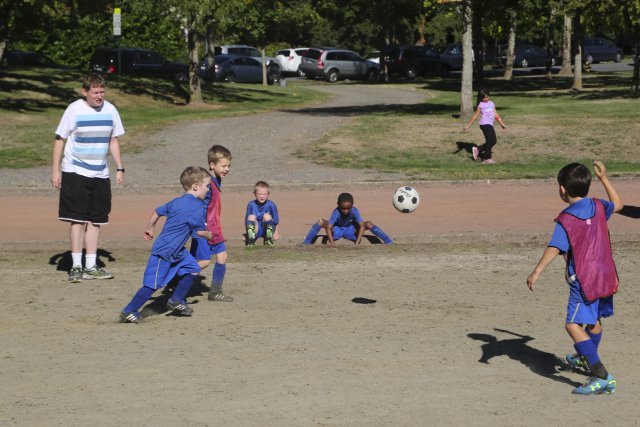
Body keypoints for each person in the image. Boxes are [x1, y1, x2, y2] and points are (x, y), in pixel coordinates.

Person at [526, 161, 623, 395]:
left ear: (562, 189)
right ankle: (583, 359)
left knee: (572, 324)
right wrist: (605, 179)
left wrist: (536, 271)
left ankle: (601, 376)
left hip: (584, 279)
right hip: (607, 274)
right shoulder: (599, 205)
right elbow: (618, 205)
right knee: (593, 320)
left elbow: (555, 247)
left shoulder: (567, 218)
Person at [51, 73, 125, 283]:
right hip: (75, 172)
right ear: (85, 92)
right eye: (95, 92)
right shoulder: (74, 110)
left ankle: (91, 266)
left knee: (96, 220)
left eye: (102, 91)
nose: (99, 96)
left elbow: (113, 140)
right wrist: (55, 170)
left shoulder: (110, 110)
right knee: (78, 220)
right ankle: (76, 266)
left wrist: (120, 168)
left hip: (100, 173)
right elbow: (59, 140)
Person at [119, 166, 213, 323]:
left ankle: (176, 300)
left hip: (177, 251)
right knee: (152, 285)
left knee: (193, 268)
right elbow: (201, 232)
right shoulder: (197, 206)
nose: (208, 189)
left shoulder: (177, 201)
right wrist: (211, 235)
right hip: (164, 252)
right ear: (196, 186)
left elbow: (157, 212)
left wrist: (150, 228)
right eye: (207, 186)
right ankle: (128, 311)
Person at [189, 145, 234, 302]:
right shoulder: (207, 184)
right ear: (212, 165)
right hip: (204, 229)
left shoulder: (217, 180)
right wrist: (198, 227)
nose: (227, 169)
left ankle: (215, 291)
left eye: (229, 165)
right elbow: (196, 203)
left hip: (214, 228)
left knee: (222, 256)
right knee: (203, 261)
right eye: (224, 165)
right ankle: (176, 277)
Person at [302, 192, 392, 246]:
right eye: (343, 208)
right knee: (321, 221)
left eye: (348, 208)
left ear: (352, 204)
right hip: (337, 231)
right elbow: (329, 228)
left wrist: (357, 243)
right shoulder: (336, 212)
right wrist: (332, 243)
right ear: (338, 204)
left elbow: (361, 226)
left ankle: (388, 241)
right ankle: (306, 242)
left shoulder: (355, 210)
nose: (345, 211)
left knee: (368, 223)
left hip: (351, 230)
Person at [463, 88, 506, 164]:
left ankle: (478, 149)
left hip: (490, 124)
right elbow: (474, 116)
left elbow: (496, 115)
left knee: (493, 141)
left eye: (487, 97)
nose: (486, 99)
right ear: (480, 98)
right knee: (489, 141)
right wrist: (468, 126)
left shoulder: (492, 104)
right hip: (484, 124)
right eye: (484, 98)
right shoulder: (480, 105)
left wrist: (501, 123)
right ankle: (487, 158)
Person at [245, 181, 280, 246]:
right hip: (256, 228)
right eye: (260, 194)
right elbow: (247, 222)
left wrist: (276, 233)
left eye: (264, 194)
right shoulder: (251, 205)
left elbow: (276, 221)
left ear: (268, 194)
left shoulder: (271, 205)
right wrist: (247, 234)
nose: (262, 196)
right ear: (255, 194)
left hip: (267, 228)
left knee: (267, 216)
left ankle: (268, 240)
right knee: (251, 217)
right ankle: (251, 241)